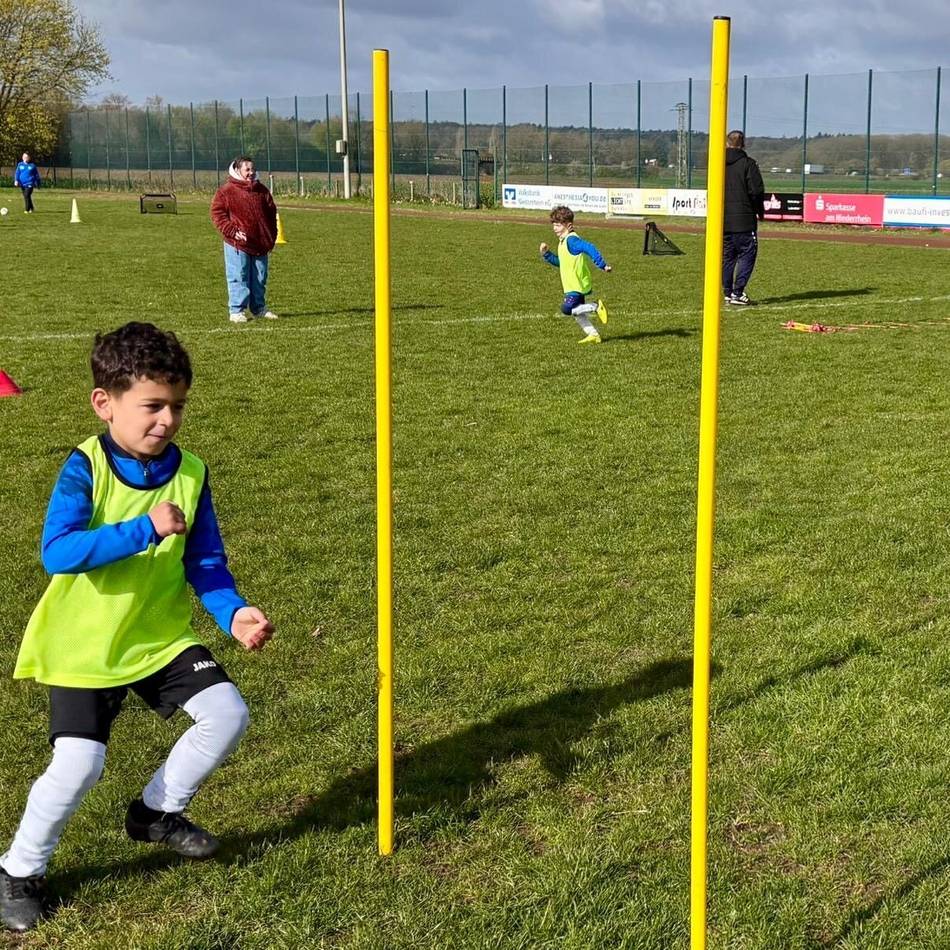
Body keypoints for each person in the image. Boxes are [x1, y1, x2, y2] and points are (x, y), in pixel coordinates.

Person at [0, 322, 274, 933]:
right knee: (79, 766)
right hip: (85, 644)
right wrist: (144, 528)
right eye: (152, 406)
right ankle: (19, 870)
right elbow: (59, 552)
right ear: (106, 403)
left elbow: (205, 562)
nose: (167, 420)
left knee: (227, 713)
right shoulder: (84, 467)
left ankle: (156, 812)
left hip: (159, 638)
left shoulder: (192, 473)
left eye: (177, 406)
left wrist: (234, 611)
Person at [210, 156, 279, 324]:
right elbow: (217, 214)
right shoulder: (226, 191)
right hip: (237, 244)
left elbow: (271, 213)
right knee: (238, 276)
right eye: (247, 169)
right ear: (238, 170)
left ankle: (259, 309)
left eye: (252, 169)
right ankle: (236, 310)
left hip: (260, 244)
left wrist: (271, 236)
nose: (251, 172)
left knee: (259, 278)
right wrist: (232, 231)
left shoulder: (261, 190)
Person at [539, 205, 612, 344]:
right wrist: (547, 254)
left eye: (559, 225)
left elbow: (589, 247)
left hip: (577, 284)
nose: (555, 228)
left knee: (567, 309)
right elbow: (561, 262)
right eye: (554, 225)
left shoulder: (572, 240)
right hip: (572, 284)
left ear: (569, 225)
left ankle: (595, 306)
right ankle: (593, 334)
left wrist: (602, 264)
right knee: (578, 313)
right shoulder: (563, 242)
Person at [722, 130, 765, 306]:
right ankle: (738, 292)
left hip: (723, 219)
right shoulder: (748, 164)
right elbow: (756, 191)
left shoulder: (717, 163)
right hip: (744, 219)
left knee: (727, 256)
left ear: (726, 143)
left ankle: (727, 291)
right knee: (747, 254)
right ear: (743, 144)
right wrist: (759, 210)